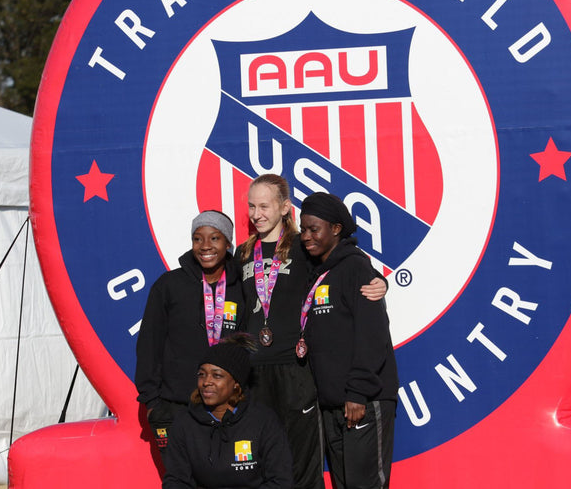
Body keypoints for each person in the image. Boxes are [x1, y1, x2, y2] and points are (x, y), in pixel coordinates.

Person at [235, 174, 387, 489]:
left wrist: (377, 279)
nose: (256, 213)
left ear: (284, 207)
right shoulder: (242, 254)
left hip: (296, 368)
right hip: (256, 372)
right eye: (251, 206)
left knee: (304, 466)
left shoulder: (303, 247)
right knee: (263, 462)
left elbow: (344, 262)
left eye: (264, 205)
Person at [299, 192, 399, 489]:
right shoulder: (319, 272)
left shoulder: (356, 269)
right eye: (303, 229)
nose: (306, 236)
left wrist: (357, 392)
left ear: (336, 228)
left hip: (362, 401)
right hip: (333, 405)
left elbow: (373, 334)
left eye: (314, 229)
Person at [135, 210, 246, 458]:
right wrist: (152, 402)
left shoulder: (241, 287)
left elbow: (247, 347)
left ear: (228, 243)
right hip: (177, 406)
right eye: (198, 238)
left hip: (227, 407)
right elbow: (148, 345)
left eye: (214, 238)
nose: (205, 246)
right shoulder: (169, 285)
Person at [163, 333, 293, 489]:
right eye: (201, 374)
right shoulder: (184, 423)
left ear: (236, 383)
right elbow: (176, 481)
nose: (206, 382)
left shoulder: (264, 421)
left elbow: (281, 481)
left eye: (217, 375)